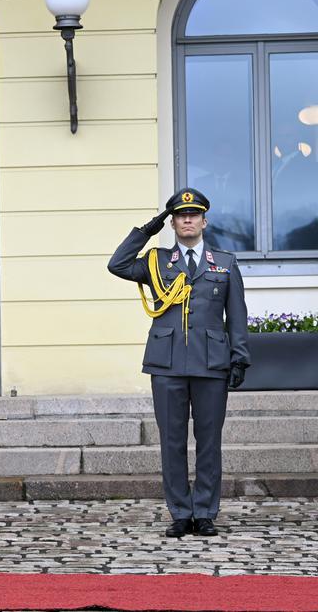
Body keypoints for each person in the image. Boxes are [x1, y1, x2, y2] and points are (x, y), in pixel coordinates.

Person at [108, 188, 249, 538]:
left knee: (208, 442)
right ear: (172, 222)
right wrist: (146, 230)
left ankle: (205, 513)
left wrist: (239, 357)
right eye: (180, 215)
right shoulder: (157, 261)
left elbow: (238, 316)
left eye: (194, 214)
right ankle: (180, 513)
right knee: (171, 442)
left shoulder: (225, 263)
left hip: (211, 364)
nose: (188, 220)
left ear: (204, 220)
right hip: (167, 364)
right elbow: (118, 264)